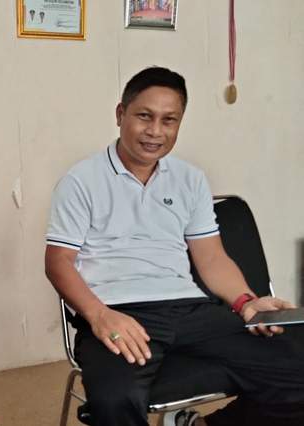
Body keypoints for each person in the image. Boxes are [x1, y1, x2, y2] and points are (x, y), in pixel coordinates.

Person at [45, 66, 304, 426]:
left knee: (296, 365)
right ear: (120, 114)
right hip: (117, 310)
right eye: (144, 116)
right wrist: (100, 315)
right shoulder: (80, 181)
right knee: (115, 401)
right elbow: (58, 262)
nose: (155, 131)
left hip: (189, 310)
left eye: (169, 120)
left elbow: (211, 258)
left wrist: (246, 303)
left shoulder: (190, 179)